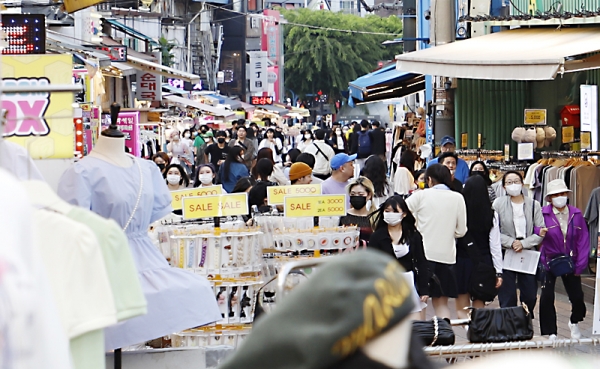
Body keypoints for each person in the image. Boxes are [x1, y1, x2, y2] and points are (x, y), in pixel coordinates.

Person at [405, 164, 467, 319]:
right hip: (447, 257)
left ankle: (422, 339)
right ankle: (444, 338)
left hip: (422, 256)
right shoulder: (457, 197)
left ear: (429, 179)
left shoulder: (421, 195)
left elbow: (402, 213)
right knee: (442, 304)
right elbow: (461, 231)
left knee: (420, 302)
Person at [537, 179, 589, 339]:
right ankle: (550, 331)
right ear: (550, 198)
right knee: (547, 297)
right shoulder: (542, 213)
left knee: (577, 297)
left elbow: (583, 239)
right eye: (556, 194)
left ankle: (575, 321)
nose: (560, 197)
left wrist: (580, 264)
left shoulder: (576, 214)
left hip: (570, 259)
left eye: (562, 193)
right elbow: (537, 235)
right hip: (549, 259)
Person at [492, 170, 545, 317]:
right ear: (503, 187)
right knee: (507, 294)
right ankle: (508, 325)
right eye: (509, 182)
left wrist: (524, 243)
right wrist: (511, 242)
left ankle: (525, 320)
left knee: (530, 293)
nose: (513, 185)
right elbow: (494, 231)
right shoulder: (498, 204)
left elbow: (541, 230)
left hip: (528, 251)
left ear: (522, 184)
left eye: (516, 181)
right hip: (506, 252)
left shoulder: (534, 204)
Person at [369, 195, 431, 317]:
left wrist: (424, 289)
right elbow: (371, 264)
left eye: (395, 211)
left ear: (404, 214)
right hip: (385, 285)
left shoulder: (413, 235)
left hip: (408, 282)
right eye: (387, 211)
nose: (390, 214)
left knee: (414, 324)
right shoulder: (377, 236)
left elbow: (421, 262)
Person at [454, 175, 503, 319]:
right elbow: (495, 244)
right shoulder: (492, 214)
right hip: (483, 261)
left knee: (462, 303)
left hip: (462, 260)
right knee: (479, 299)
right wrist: (498, 271)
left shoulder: (459, 213)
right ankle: (478, 330)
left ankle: (467, 330)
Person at [339, 177, 377, 242]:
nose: (356, 196)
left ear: (369, 195)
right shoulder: (343, 216)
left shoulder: (374, 218)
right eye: (353, 194)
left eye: (360, 194)